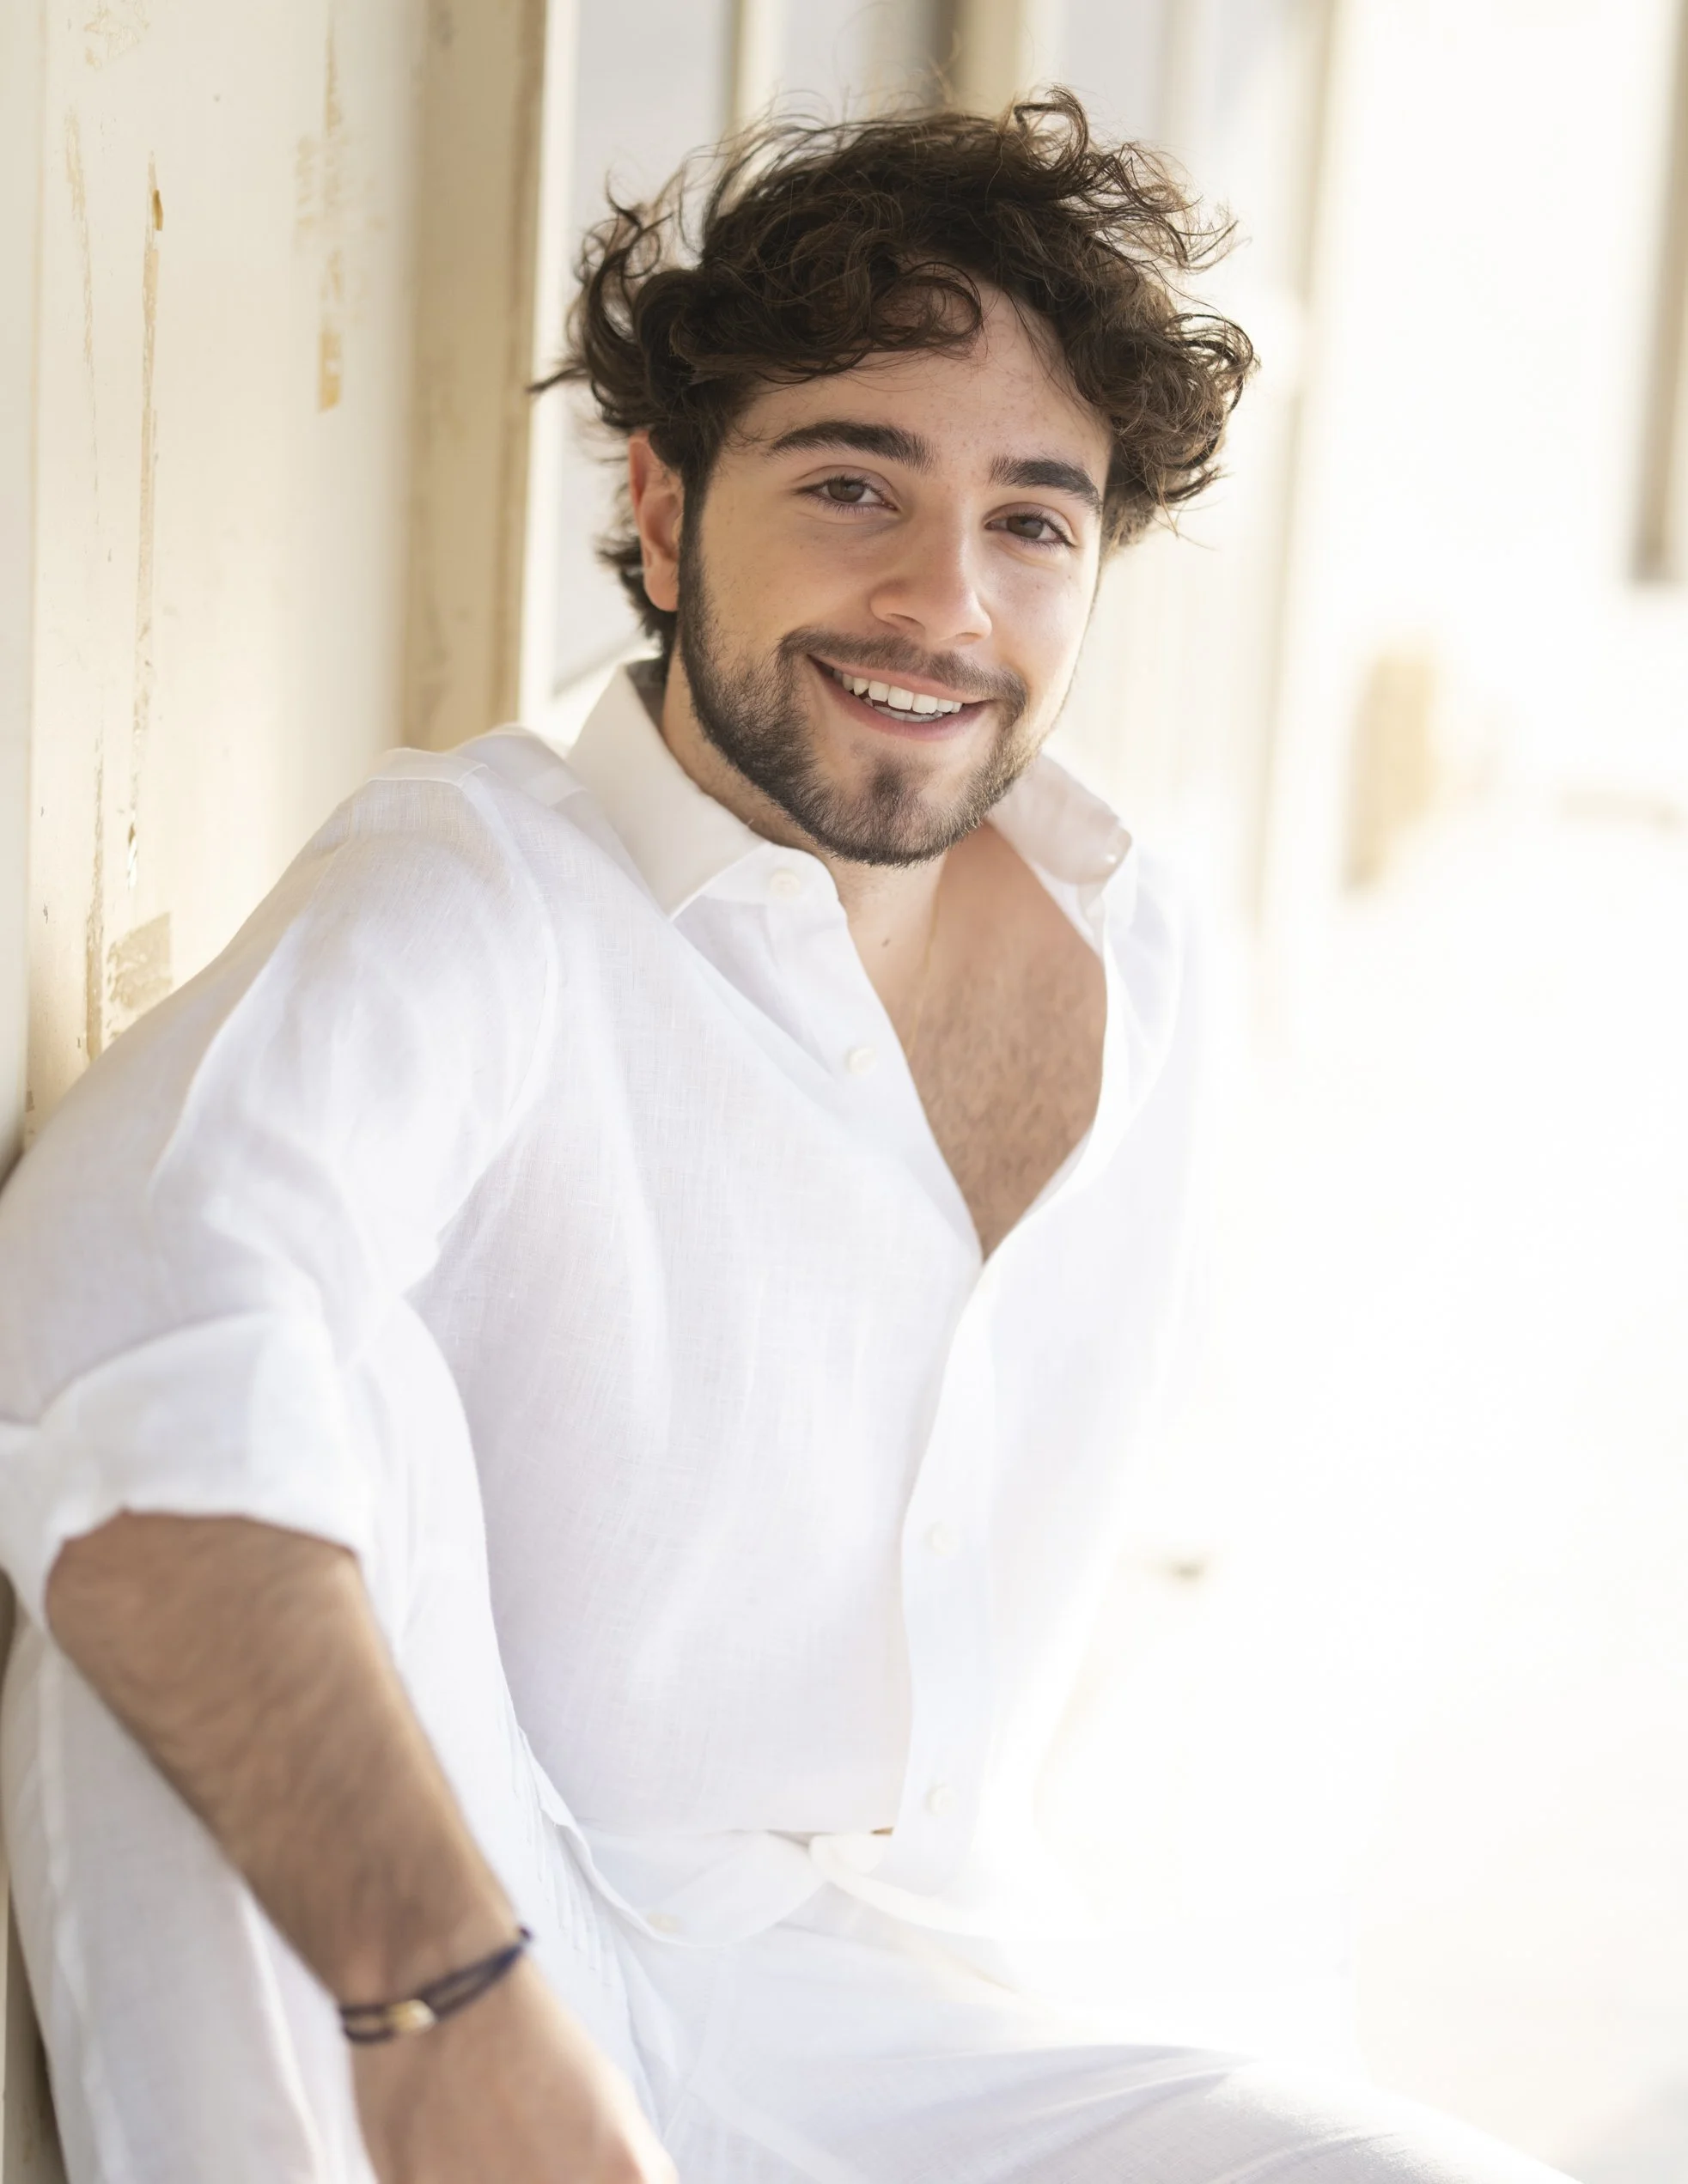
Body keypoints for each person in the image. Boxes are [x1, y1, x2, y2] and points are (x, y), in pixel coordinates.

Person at [0, 94, 1571, 2184]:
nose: (945, 604)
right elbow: (102, 1309)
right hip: (490, 1949)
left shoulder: (1145, 945)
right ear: (662, 510)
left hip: (930, 2021)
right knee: (231, 1402)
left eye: (1033, 519)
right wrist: (448, 2004)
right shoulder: (480, 895)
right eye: (853, 481)